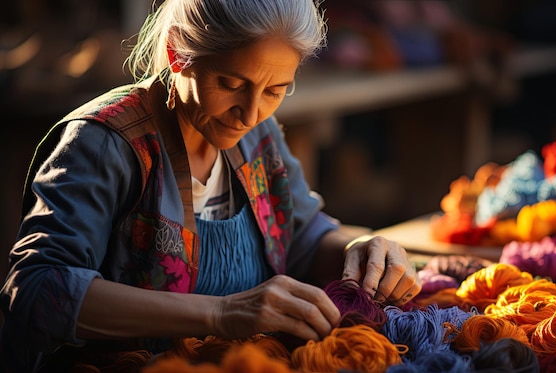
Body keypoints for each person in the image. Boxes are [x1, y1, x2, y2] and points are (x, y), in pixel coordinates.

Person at [0, 0, 420, 371]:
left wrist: (358, 252)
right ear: (178, 52)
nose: (250, 113)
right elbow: (38, 289)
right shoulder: (103, 145)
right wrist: (222, 314)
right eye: (232, 85)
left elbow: (302, 237)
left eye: (275, 90)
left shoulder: (258, 135)